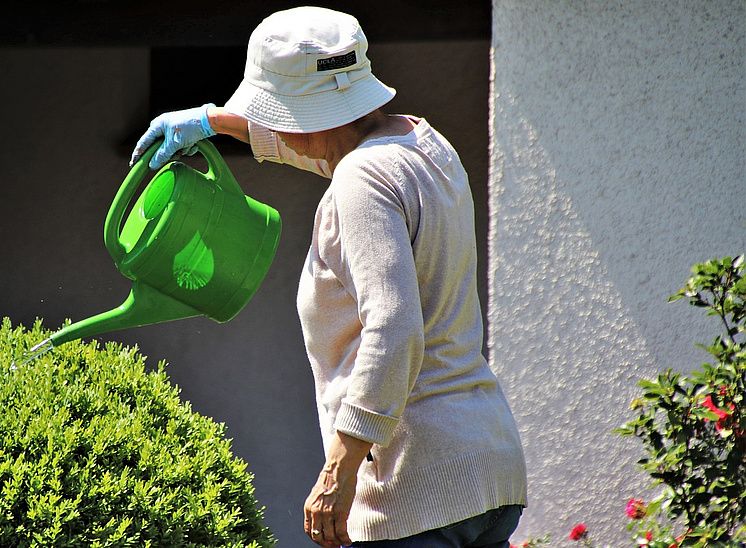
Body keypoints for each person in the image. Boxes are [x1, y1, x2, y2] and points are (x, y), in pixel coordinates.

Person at [130, 7, 527, 548]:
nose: (278, 128)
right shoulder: (421, 144)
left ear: (306, 111)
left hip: (417, 485)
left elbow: (394, 328)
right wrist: (214, 120)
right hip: (487, 465)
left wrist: (338, 473)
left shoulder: (360, 180)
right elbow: (331, 152)